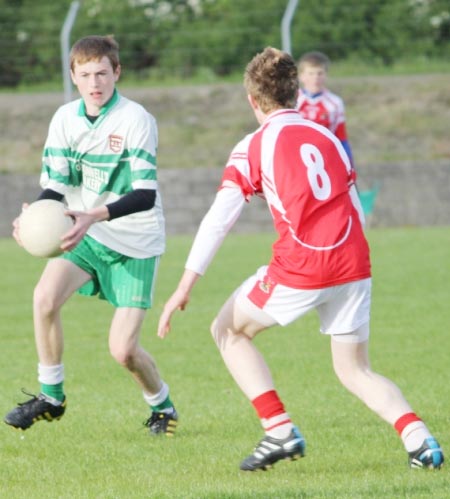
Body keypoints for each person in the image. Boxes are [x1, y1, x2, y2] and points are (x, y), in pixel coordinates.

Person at [157, 47, 444, 470]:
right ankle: (421, 442)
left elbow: (220, 219)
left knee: (228, 331)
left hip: (303, 266)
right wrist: (356, 261)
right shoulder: (326, 136)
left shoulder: (253, 145)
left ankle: (278, 431)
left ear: (253, 100)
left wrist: (184, 286)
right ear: (295, 92)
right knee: (354, 370)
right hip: (353, 261)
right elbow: (353, 204)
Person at [4, 35, 178, 437]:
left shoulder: (136, 119)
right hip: (88, 232)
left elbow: (145, 195)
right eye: (85, 75)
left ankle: (162, 406)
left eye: (102, 73)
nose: (95, 82)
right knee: (44, 298)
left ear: (117, 72)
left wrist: (92, 216)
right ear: (74, 77)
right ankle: (51, 397)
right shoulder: (65, 118)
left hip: (135, 240)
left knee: (123, 351)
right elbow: (56, 185)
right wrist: (33, 214)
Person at [296, 51, 354, 166]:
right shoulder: (292, 100)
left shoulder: (335, 103)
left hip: (325, 160)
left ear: (326, 75)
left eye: (320, 73)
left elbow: (341, 138)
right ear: (301, 76)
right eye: (311, 73)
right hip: (297, 159)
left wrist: (350, 166)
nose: (315, 78)